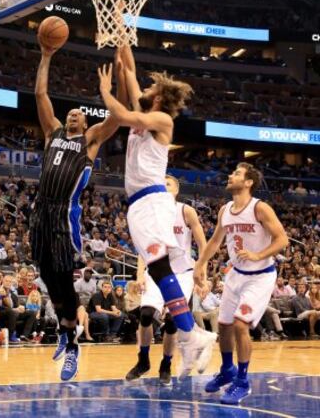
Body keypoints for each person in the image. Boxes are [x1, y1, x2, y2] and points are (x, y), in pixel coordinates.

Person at [99, 50, 216, 380]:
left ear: (161, 96)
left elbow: (123, 115)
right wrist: (121, 34)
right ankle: (192, 335)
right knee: (158, 267)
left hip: (151, 200)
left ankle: (192, 335)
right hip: (138, 204)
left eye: (152, 87)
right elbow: (130, 69)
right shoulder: (146, 109)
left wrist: (107, 92)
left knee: (161, 266)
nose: (145, 87)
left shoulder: (162, 120)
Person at [30, 43, 126, 381]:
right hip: (39, 215)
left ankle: (72, 346)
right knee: (48, 279)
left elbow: (118, 116)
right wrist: (45, 55)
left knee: (64, 282)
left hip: (63, 218)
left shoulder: (90, 140)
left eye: (78, 114)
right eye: (69, 113)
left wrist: (107, 91)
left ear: (85, 120)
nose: (73, 115)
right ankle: (63, 331)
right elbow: (41, 94)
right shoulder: (52, 133)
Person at [195, 162, 288, 405]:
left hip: (260, 275)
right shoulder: (225, 210)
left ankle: (243, 382)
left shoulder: (260, 208)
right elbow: (215, 241)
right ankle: (227, 370)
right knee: (224, 326)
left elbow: (282, 239)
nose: (230, 175)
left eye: (236, 173)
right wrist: (200, 264)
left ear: (248, 182)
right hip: (236, 274)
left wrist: (259, 255)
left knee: (239, 324)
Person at [125, 174, 215, 385]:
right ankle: (143, 360)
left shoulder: (185, 211)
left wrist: (204, 275)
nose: (163, 187)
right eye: (161, 184)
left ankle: (166, 363)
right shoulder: (151, 214)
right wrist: (140, 275)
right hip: (157, 270)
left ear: (176, 190)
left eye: (168, 184)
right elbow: (143, 247)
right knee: (146, 315)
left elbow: (204, 245)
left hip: (183, 273)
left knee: (172, 321)